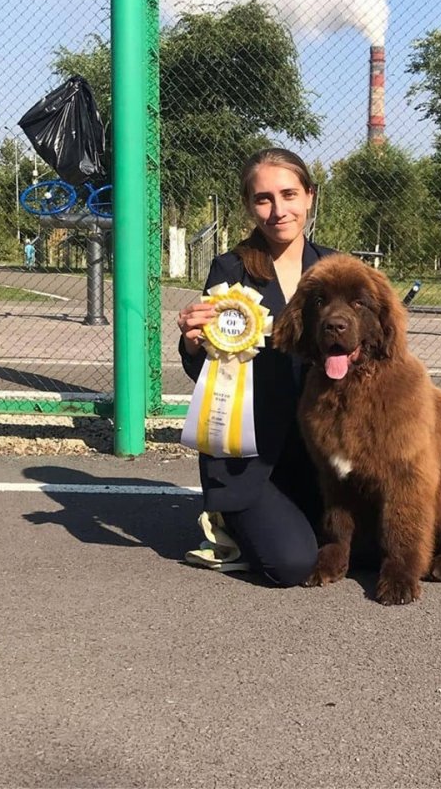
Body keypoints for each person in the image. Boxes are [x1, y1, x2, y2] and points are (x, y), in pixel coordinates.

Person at [177, 148, 334, 587]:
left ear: (310, 196)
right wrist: (193, 346)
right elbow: (207, 374)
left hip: (322, 448)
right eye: (263, 199)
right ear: (248, 205)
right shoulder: (230, 270)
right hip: (251, 454)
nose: (278, 210)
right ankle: (231, 521)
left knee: (374, 549)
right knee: (290, 566)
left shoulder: (336, 268)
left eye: (289, 194)